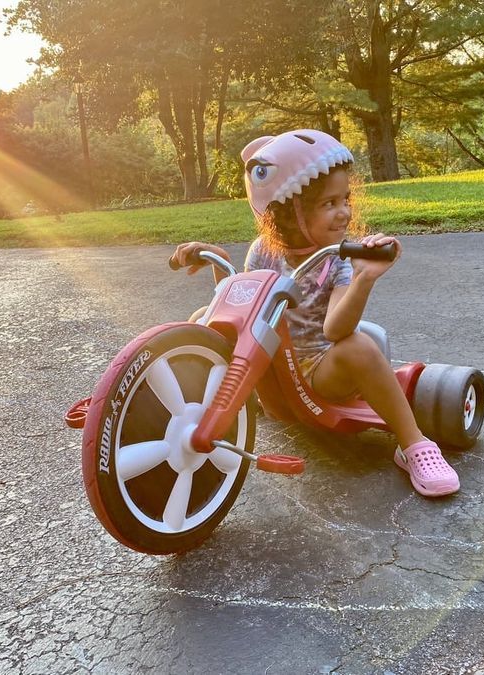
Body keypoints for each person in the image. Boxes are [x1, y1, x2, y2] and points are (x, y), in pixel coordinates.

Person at [172, 129, 459, 497]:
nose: (345, 212)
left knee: (358, 345)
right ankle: (184, 408)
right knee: (201, 318)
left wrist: (363, 278)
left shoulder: (338, 260)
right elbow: (241, 308)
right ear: (291, 212)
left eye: (346, 199)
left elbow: (337, 330)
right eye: (329, 204)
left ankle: (414, 445)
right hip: (271, 369)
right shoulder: (264, 251)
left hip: (319, 371)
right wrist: (220, 262)